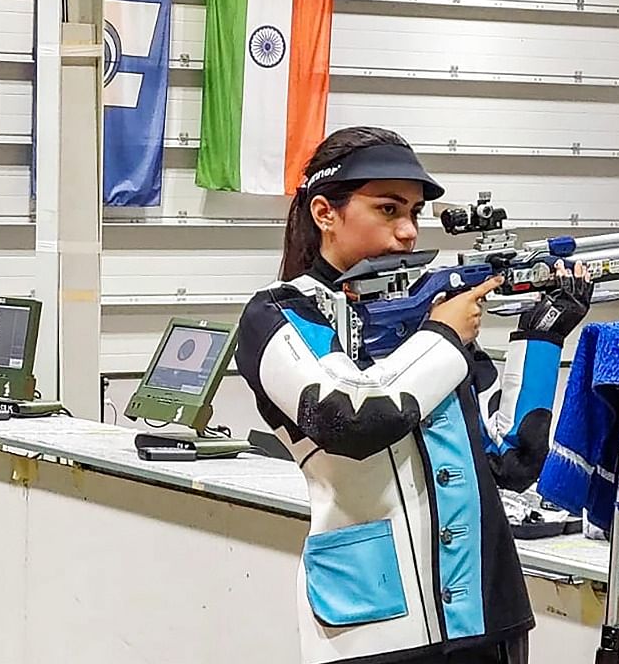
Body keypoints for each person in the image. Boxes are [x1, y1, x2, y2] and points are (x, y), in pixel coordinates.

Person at [234, 126, 594, 664]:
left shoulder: (419, 324)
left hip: (485, 613)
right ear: (324, 213)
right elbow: (351, 418)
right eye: (388, 209)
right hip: (373, 621)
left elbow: (512, 459)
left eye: (415, 213)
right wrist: (444, 335)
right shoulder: (281, 316)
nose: (408, 231)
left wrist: (540, 337)